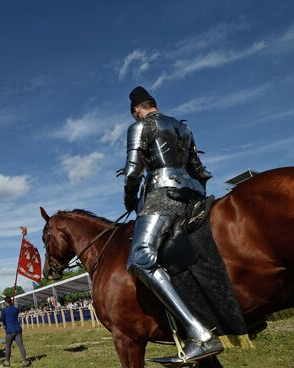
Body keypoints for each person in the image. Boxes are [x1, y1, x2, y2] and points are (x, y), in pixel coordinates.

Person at [123, 86, 221, 364]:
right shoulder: (182, 128)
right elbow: (200, 170)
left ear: (136, 111)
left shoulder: (140, 127)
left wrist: (129, 199)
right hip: (194, 196)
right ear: (154, 104)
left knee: (141, 258)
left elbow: (132, 172)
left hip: (162, 196)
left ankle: (198, 333)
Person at [0, 297, 29, 367]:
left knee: (7, 347)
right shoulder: (16, 309)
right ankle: (24, 361)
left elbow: (2, 319)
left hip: (9, 331)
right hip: (17, 329)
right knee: (21, 346)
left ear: (5, 302)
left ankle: (7, 362)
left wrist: (4, 323)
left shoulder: (4, 310)